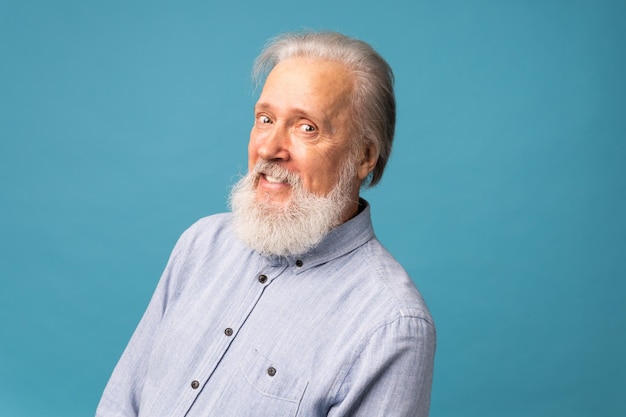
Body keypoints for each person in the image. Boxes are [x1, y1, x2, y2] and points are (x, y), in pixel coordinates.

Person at [96, 31, 436, 417]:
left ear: (364, 156)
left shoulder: (390, 325)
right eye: (265, 119)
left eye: (306, 127)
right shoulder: (200, 244)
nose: (270, 148)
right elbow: (121, 401)